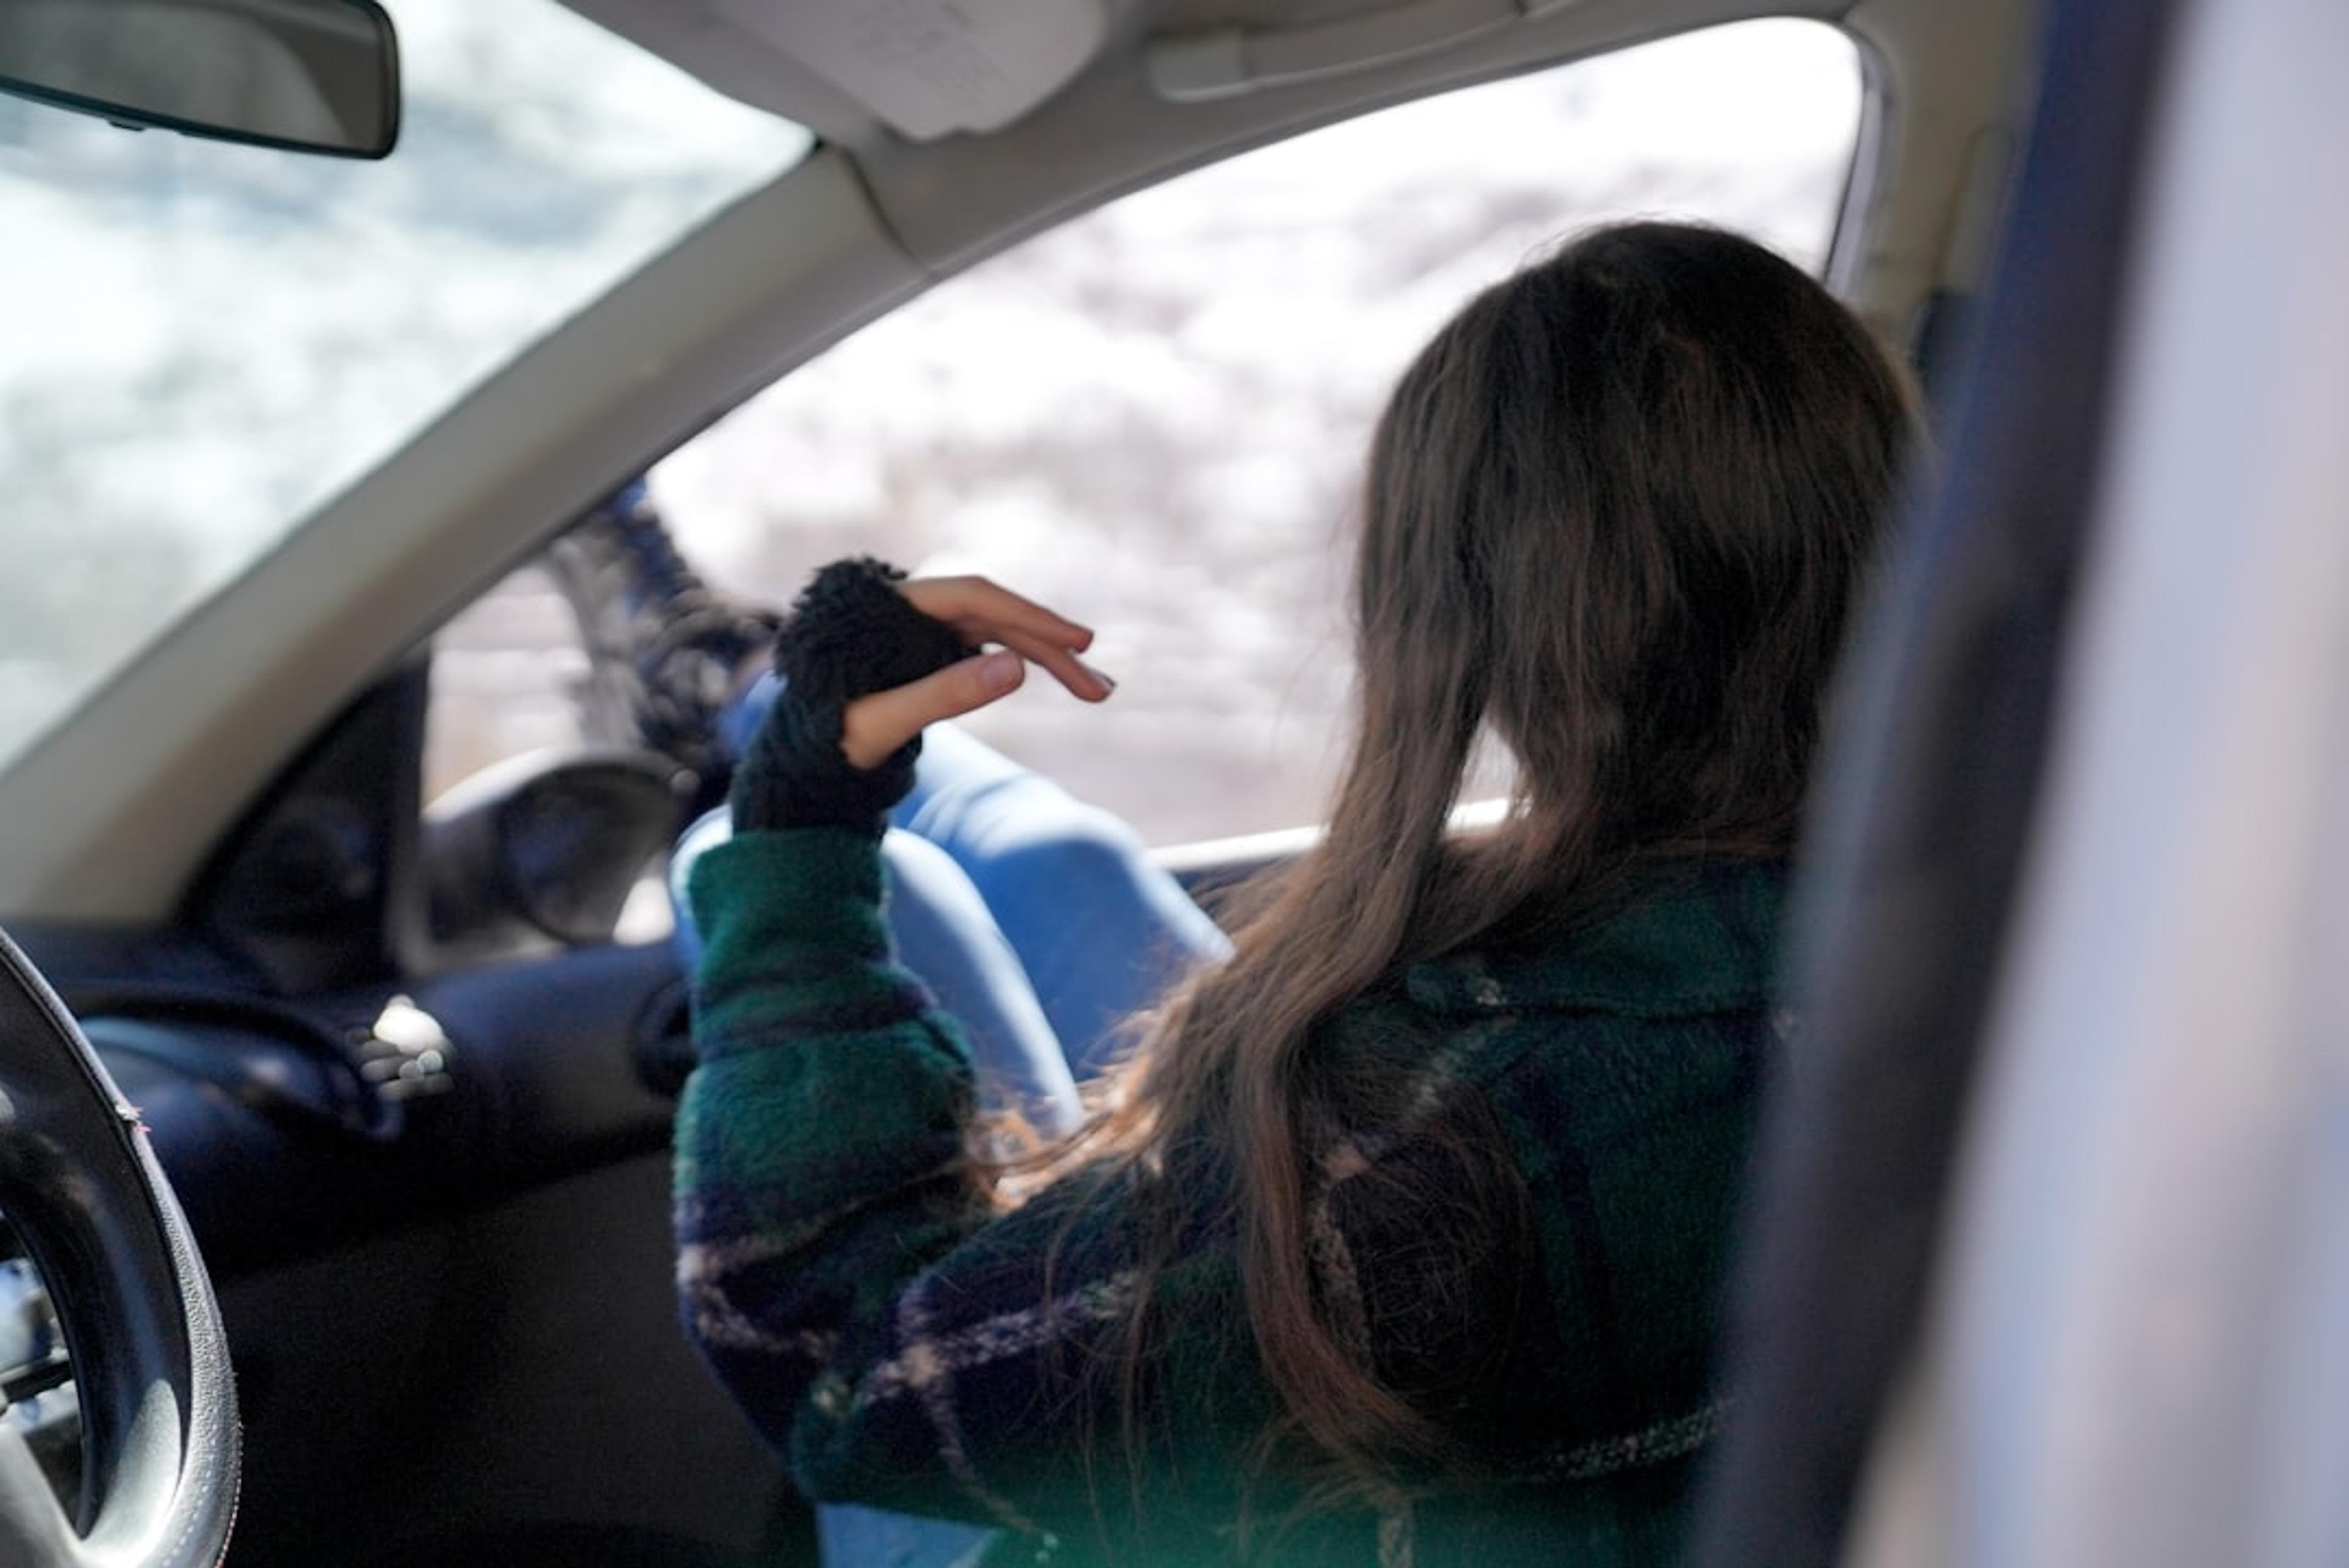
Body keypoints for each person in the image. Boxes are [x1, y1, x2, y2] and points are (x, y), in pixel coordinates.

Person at [672, 221, 1918, 1566]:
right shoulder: (1986, 928)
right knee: (1062, 865)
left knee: (770, 872)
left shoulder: (1457, 1145)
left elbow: (843, 1374)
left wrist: (800, 831)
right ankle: (736, 684)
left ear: (1469, 620)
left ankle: (750, 704)